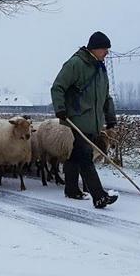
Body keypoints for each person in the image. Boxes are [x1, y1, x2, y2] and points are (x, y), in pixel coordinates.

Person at [50, 31, 119, 209]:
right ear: (95, 48)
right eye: (105, 49)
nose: (107, 53)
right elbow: (58, 87)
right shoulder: (75, 64)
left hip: (93, 121)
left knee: (75, 155)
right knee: (86, 155)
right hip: (78, 119)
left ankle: (71, 189)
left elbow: (106, 96)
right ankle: (99, 196)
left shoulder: (100, 69)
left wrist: (110, 118)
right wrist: (60, 109)